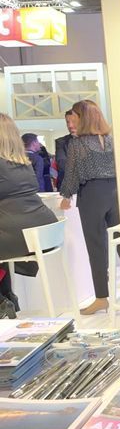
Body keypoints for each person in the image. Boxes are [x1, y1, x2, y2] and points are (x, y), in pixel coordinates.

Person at [59, 99, 120, 315]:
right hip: (115, 193)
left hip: (92, 196)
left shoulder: (78, 144)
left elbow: (72, 174)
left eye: (75, 116)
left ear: (83, 117)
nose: (72, 121)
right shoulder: (111, 139)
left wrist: (66, 196)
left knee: (96, 248)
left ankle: (102, 298)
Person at [0, 114, 58, 318]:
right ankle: (6, 299)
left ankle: (3, 300)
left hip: (21, 235)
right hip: (44, 230)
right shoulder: (24, 163)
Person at [55, 110, 78, 191]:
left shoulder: (93, 141)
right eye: (68, 122)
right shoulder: (61, 142)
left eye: (74, 121)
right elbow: (62, 164)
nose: (70, 125)